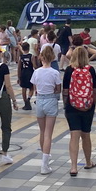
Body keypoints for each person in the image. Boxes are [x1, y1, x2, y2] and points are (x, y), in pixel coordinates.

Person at [62, 45, 96, 176]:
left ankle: (73, 167)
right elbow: (94, 90)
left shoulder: (69, 70)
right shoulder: (91, 70)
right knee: (86, 135)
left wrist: (67, 105)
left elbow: (65, 90)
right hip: (88, 106)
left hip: (72, 106)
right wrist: (92, 104)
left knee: (74, 135)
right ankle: (88, 162)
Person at [30, 45, 62, 174]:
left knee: (42, 132)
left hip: (40, 100)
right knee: (49, 133)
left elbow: (34, 86)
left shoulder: (36, 72)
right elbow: (58, 88)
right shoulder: (54, 72)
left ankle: (44, 155)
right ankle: (45, 163)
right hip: (51, 100)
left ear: (41, 57)